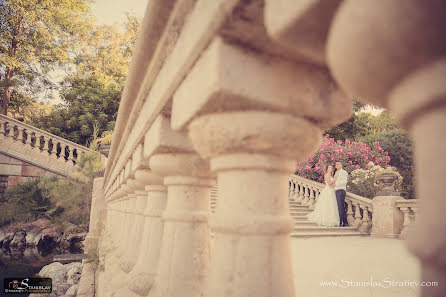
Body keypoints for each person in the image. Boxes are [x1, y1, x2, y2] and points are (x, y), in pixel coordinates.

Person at [334, 161, 349, 227]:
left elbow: (345, 181)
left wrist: (335, 184)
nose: (337, 165)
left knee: (341, 207)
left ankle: (344, 222)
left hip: (341, 190)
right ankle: (340, 221)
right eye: (336, 164)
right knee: (338, 207)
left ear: (341, 165)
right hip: (336, 190)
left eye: (339, 164)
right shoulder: (336, 172)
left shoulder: (344, 172)